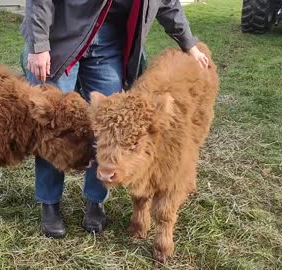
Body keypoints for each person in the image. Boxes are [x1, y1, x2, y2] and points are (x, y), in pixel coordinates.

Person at [20, 0, 209, 238]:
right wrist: (39, 44)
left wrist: (189, 44)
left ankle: (95, 199)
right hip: (62, 35)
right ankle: (50, 202)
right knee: (52, 125)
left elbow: (167, 3)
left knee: (112, 126)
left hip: (109, 41)